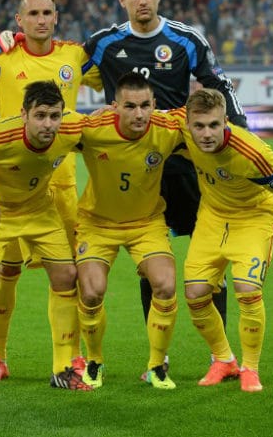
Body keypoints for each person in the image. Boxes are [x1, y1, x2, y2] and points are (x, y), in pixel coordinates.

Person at [81, 0, 248, 347]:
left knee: (211, 256)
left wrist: (240, 137)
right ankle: (159, 359)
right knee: (150, 265)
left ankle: (218, 355)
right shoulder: (104, 42)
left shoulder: (185, 39)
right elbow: (62, 71)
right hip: (136, 170)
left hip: (185, 164)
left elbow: (219, 84)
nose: (143, 0)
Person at [0, 0, 102, 383]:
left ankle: (72, 357)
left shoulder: (74, 56)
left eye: (48, 12)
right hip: (6, 184)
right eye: (34, 14)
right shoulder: (6, 57)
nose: (41, 19)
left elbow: (108, 78)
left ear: (56, 17)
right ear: (19, 21)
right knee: (3, 274)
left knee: (69, 274)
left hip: (60, 184)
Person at [0, 80, 91, 393]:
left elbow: (104, 129)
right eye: (41, 115)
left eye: (55, 116)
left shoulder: (71, 130)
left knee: (66, 275)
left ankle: (62, 369)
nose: (49, 124)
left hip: (40, 210)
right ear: (24, 114)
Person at [176, 88, 273, 392]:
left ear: (226, 121)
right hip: (212, 217)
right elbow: (146, 118)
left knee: (246, 288)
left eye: (214, 125)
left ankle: (251, 368)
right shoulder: (179, 125)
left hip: (254, 217)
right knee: (195, 293)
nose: (206, 134)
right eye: (199, 126)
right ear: (188, 123)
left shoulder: (252, 152)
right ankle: (223, 360)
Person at [75, 73, 180, 390]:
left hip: (145, 223)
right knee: (92, 291)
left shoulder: (169, 129)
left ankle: (155, 366)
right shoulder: (92, 130)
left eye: (145, 105)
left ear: (155, 105)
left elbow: (209, 121)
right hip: (97, 223)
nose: (138, 114)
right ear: (114, 107)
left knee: (165, 284)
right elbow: (50, 131)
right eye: (130, 106)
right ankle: (94, 361)